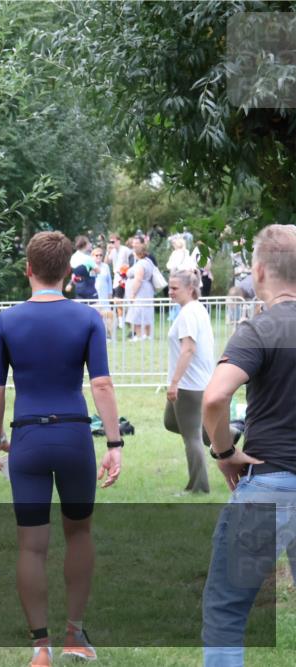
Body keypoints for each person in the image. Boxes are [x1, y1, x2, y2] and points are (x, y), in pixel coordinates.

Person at [0, 231, 122, 667]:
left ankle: (39, 647)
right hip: (74, 436)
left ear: (28, 270)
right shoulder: (87, 320)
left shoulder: (5, 321)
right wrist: (115, 443)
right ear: (68, 273)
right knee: (79, 532)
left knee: (31, 546)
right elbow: (100, 383)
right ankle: (75, 636)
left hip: (26, 437)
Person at [200, 224, 296, 667]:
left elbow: (216, 396)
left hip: (271, 480)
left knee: (227, 607)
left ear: (258, 271)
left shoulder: (260, 329)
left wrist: (223, 454)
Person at [163, 269, 214, 494]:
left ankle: (198, 487)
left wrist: (174, 382)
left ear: (190, 289)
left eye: (175, 288)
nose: (170, 292)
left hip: (189, 385)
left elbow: (188, 350)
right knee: (170, 422)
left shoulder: (188, 314)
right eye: (169, 287)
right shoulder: (192, 309)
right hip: (195, 382)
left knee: (191, 438)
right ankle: (226, 433)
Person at [124, 240, 155, 340]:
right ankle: (148, 335)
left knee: (137, 312)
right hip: (147, 290)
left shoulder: (141, 264)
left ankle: (139, 335)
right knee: (146, 312)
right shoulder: (148, 261)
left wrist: (133, 293)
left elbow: (138, 279)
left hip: (141, 292)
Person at [90, 247, 114, 338]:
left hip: (104, 293)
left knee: (107, 314)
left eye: (101, 255)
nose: (99, 257)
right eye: (97, 255)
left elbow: (109, 281)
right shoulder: (90, 266)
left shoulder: (105, 266)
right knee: (95, 313)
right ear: (92, 256)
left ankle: (108, 334)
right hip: (93, 294)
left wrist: (110, 293)